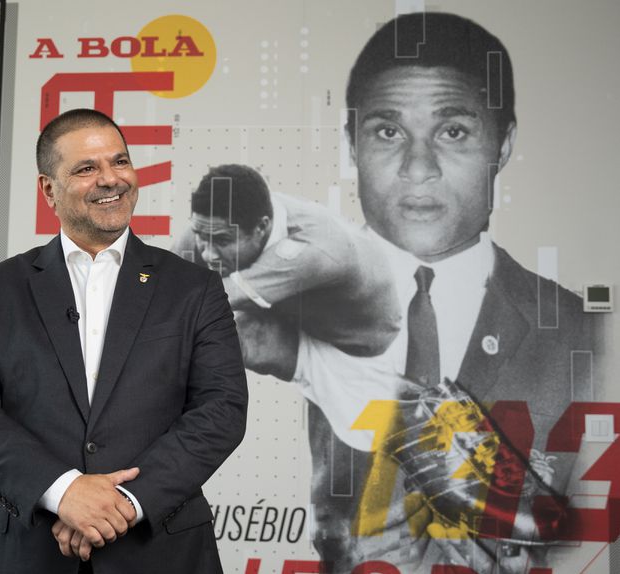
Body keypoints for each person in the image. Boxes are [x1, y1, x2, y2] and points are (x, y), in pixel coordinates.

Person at [238, 12, 601, 573]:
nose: (418, 167)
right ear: (351, 145)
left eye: (452, 131)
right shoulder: (261, 313)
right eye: (388, 131)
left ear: (502, 146)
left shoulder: (591, 338)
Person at [0, 108, 248, 574]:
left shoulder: (194, 288)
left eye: (119, 162)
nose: (111, 180)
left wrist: (122, 503)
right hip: (21, 553)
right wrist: (63, 491)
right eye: (87, 168)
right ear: (49, 190)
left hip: (159, 551)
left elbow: (221, 410)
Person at [172, 163, 400, 358]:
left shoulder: (315, 249)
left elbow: (217, 298)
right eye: (201, 237)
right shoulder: (216, 223)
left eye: (222, 241)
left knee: (217, 330)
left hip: (360, 346)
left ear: (262, 227)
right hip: (298, 309)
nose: (207, 254)